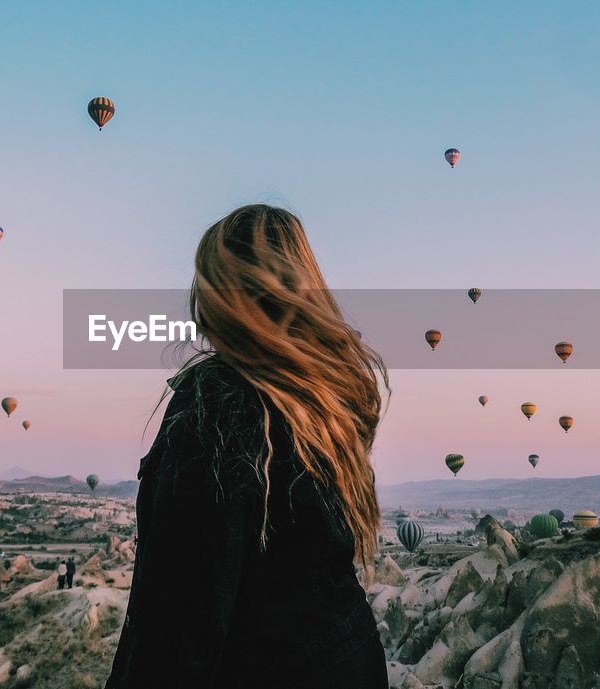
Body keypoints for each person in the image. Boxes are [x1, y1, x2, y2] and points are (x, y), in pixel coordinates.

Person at [105, 205, 388, 689]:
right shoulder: (324, 400)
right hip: (348, 660)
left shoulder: (220, 399)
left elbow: (180, 621)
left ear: (220, 295)